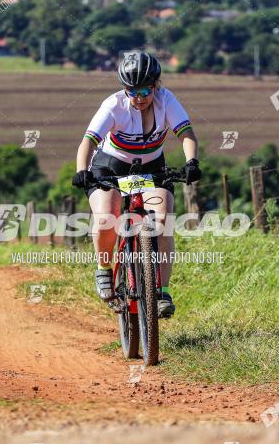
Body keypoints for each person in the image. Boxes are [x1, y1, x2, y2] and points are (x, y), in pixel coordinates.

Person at [72, 51, 201, 318]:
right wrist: (81, 170)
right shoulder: (113, 105)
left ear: (155, 86)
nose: (139, 98)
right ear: (124, 89)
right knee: (108, 215)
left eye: (145, 91)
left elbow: (186, 134)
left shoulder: (167, 101)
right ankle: (104, 270)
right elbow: (88, 142)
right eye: (132, 91)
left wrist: (191, 162)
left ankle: (162, 292)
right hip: (110, 164)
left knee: (163, 222)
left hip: (152, 166)